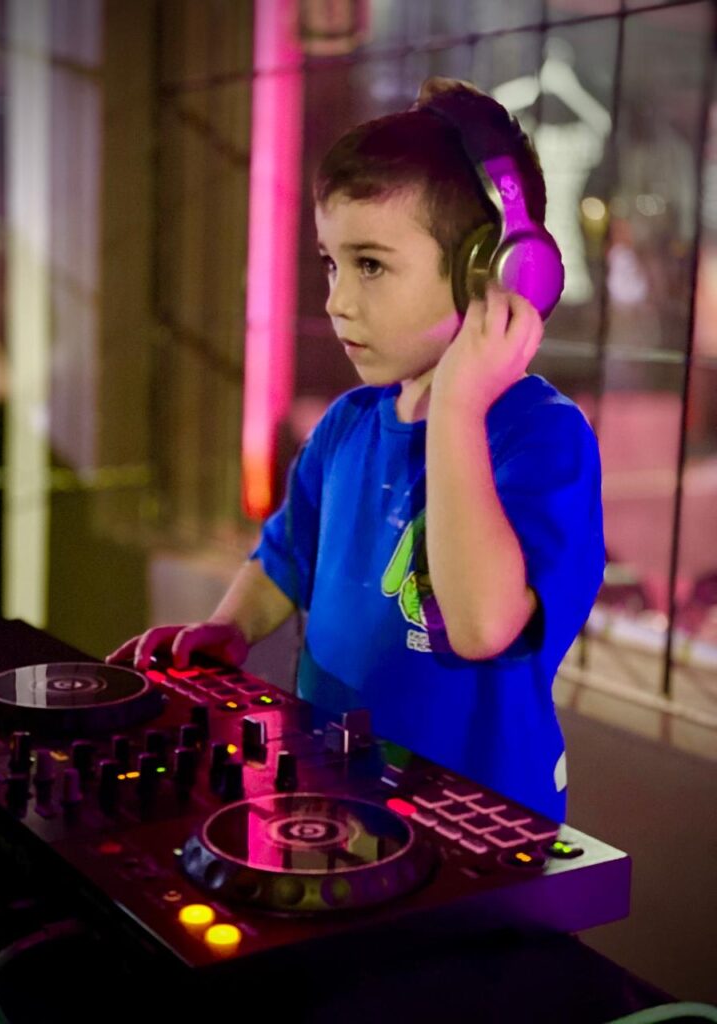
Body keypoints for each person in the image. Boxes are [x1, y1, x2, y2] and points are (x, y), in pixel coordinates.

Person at [108, 77, 605, 822]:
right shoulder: (347, 426)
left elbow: (481, 625)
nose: (337, 300)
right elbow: (285, 559)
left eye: (370, 264)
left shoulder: (542, 438)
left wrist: (458, 404)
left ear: (492, 274)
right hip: (334, 796)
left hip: (477, 827)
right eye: (331, 264)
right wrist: (230, 627)